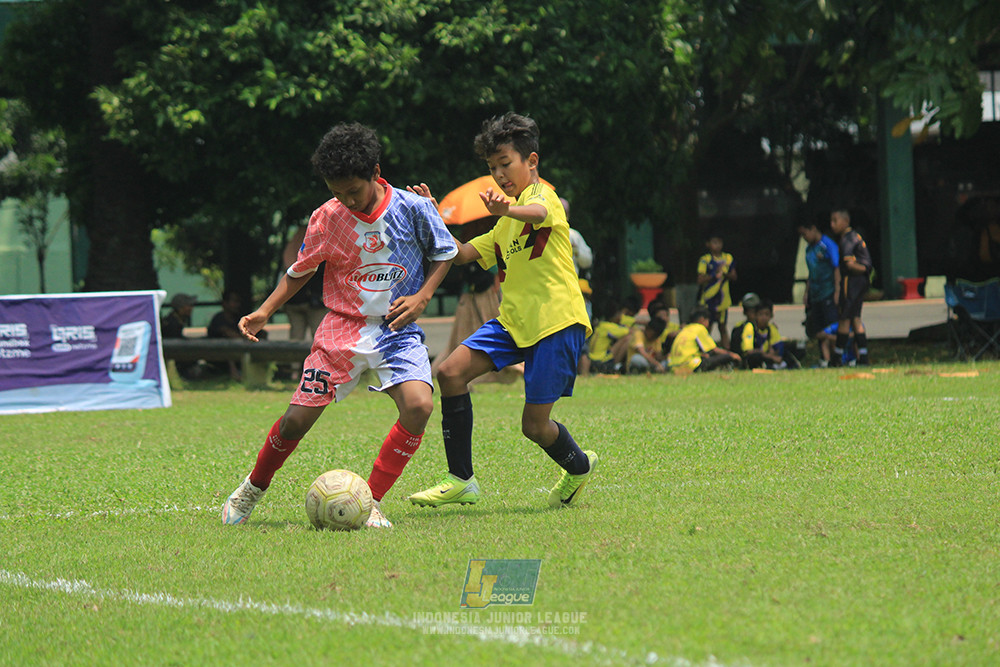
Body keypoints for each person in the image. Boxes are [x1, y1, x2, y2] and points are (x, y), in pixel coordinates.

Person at [221, 122, 458, 529]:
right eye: (336, 192)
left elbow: (446, 251)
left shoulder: (414, 208)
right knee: (295, 420)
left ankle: (372, 501)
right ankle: (252, 489)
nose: (346, 200)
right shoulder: (327, 217)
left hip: (397, 332)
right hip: (341, 330)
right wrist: (264, 311)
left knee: (419, 406)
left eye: (354, 190)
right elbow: (302, 270)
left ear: (376, 173)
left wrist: (422, 297)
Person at [407, 112, 597, 510]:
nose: (499, 175)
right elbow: (460, 255)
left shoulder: (542, 196)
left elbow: (539, 215)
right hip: (513, 323)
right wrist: (430, 216)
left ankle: (578, 466)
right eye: (492, 168)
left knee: (534, 426)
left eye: (505, 164)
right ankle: (461, 479)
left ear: (531, 162)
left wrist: (507, 210)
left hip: (556, 323)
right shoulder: (503, 225)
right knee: (450, 372)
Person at [280, 225, 328, 379]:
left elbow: (289, 267)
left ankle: (298, 373)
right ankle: (315, 374)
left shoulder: (294, 242)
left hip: (298, 300)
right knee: (316, 338)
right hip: (312, 300)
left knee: (299, 337)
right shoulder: (321, 239)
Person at [829, 209, 873, 366]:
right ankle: (864, 356)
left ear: (845, 221)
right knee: (855, 318)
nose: (832, 224)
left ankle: (836, 357)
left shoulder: (847, 239)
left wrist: (860, 267)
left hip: (852, 281)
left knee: (844, 317)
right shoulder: (856, 236)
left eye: (835, 220)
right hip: (861, 282)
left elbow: (849, 263)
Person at [797, 220, 840, 348]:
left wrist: (837, 291)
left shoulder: (827, 245)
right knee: (818, 329)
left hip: (828, 292)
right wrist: (806, 292)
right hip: (815, 294)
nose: (804, 238)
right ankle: (824, 358)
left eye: (805, 234)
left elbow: (836, 267)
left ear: (813, 229)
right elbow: (812, 272)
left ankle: (837, 355)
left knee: (831, 326)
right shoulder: (809, 249)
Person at [668, 306, 740, 373]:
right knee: (727, 357)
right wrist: (732, 355)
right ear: (702, 319)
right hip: (689, 364)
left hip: (674, 366)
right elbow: (714, 350)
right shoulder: (699, 328)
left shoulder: (685, 329)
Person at [696, 234, 737, 349]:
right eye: (714, 242)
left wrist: (724, 274)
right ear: (708, 244)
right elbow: (700, 279)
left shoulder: (728, 258)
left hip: (723, 300)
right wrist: (714, 275)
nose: (717, 245)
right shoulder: (705, 260)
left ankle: (728, 353)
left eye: (719, 242)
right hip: (708, 299)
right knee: (706, 328)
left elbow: (734, 276)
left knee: (722, 327)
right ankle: (705, 351)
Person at [734, 298, 799, 369]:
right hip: (758, 357)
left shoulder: (771, 328)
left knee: (792, 348)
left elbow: (778, 346)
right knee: (755, 356)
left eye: (766, 314)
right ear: (755, 315)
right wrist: (768, 355)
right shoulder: (750, 327)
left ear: (771, 316)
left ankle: (791, 366)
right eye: (761, 314)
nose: (763, 317)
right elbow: (749, 351)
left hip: (769, 356)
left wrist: (776, 355)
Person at [207, 289, 249, 380]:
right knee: (231, 345)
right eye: (234, 301)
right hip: (218, 353)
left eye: (238, 302)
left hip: (238, 351)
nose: (237, 305)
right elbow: (229, 334)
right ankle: (235, 375)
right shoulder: (218, 319)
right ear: (225, 303)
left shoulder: (237, 318)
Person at [160, 293, 201, 380]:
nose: (191, 308)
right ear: (180, 308)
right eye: (188, 306)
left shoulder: (177, 321)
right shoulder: (171, 324)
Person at [585, 301, 631, 374]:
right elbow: (628, 331)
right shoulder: (609, 327)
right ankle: (616, 366)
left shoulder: (602, 325)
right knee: (627, 338)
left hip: (591, 358)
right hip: (601, 359)